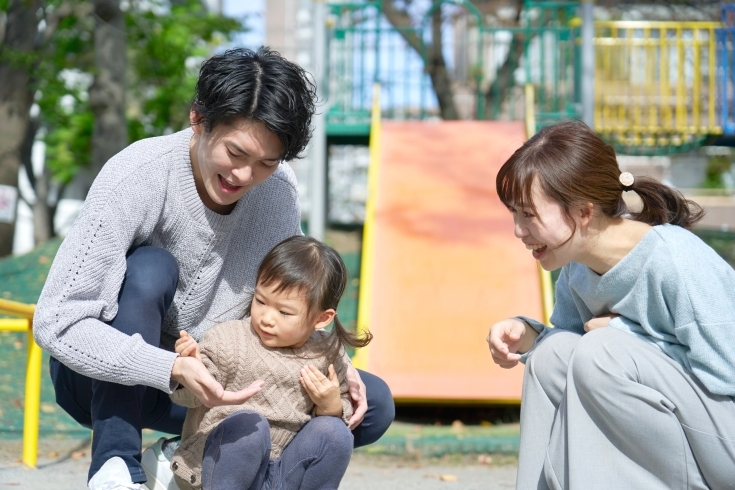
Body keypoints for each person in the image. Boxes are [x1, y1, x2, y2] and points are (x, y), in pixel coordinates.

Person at [33, 47, 394, 490]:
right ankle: (117, 467)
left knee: (370, 401)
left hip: (218, 386)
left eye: (266, 162)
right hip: (108, 383)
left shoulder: (276, 192)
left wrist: (328, 358)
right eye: (236, 153)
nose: (245, 175)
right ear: (198, 121)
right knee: (150, 267)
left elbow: (290, 295)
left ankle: (190, 459)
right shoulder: (137, 174)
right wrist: (167, 367)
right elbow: (56, 322)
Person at [486, 120, 735, 490]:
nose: (519, 230)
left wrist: (626, 337)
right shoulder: (577, 268)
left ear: (583, 212)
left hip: (722, 446)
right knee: (552, 354)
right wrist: (530, 336)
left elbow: (726, 375)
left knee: (602, 350)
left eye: (529, 214)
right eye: (515, 214)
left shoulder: (678, 261)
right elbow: (575, 355)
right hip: (675, 428)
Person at [161, 235, 370, 490]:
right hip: (218, 468)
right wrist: (191, 369)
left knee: (336, 433)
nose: (267, 318)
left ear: (321, 319)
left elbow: (343, 410)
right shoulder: (229, 339)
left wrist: (332, 407)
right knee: (250, 425)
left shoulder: (327, 354)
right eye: (260, 301)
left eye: (284, 312)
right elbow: (190, 399)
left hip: (282, 472)